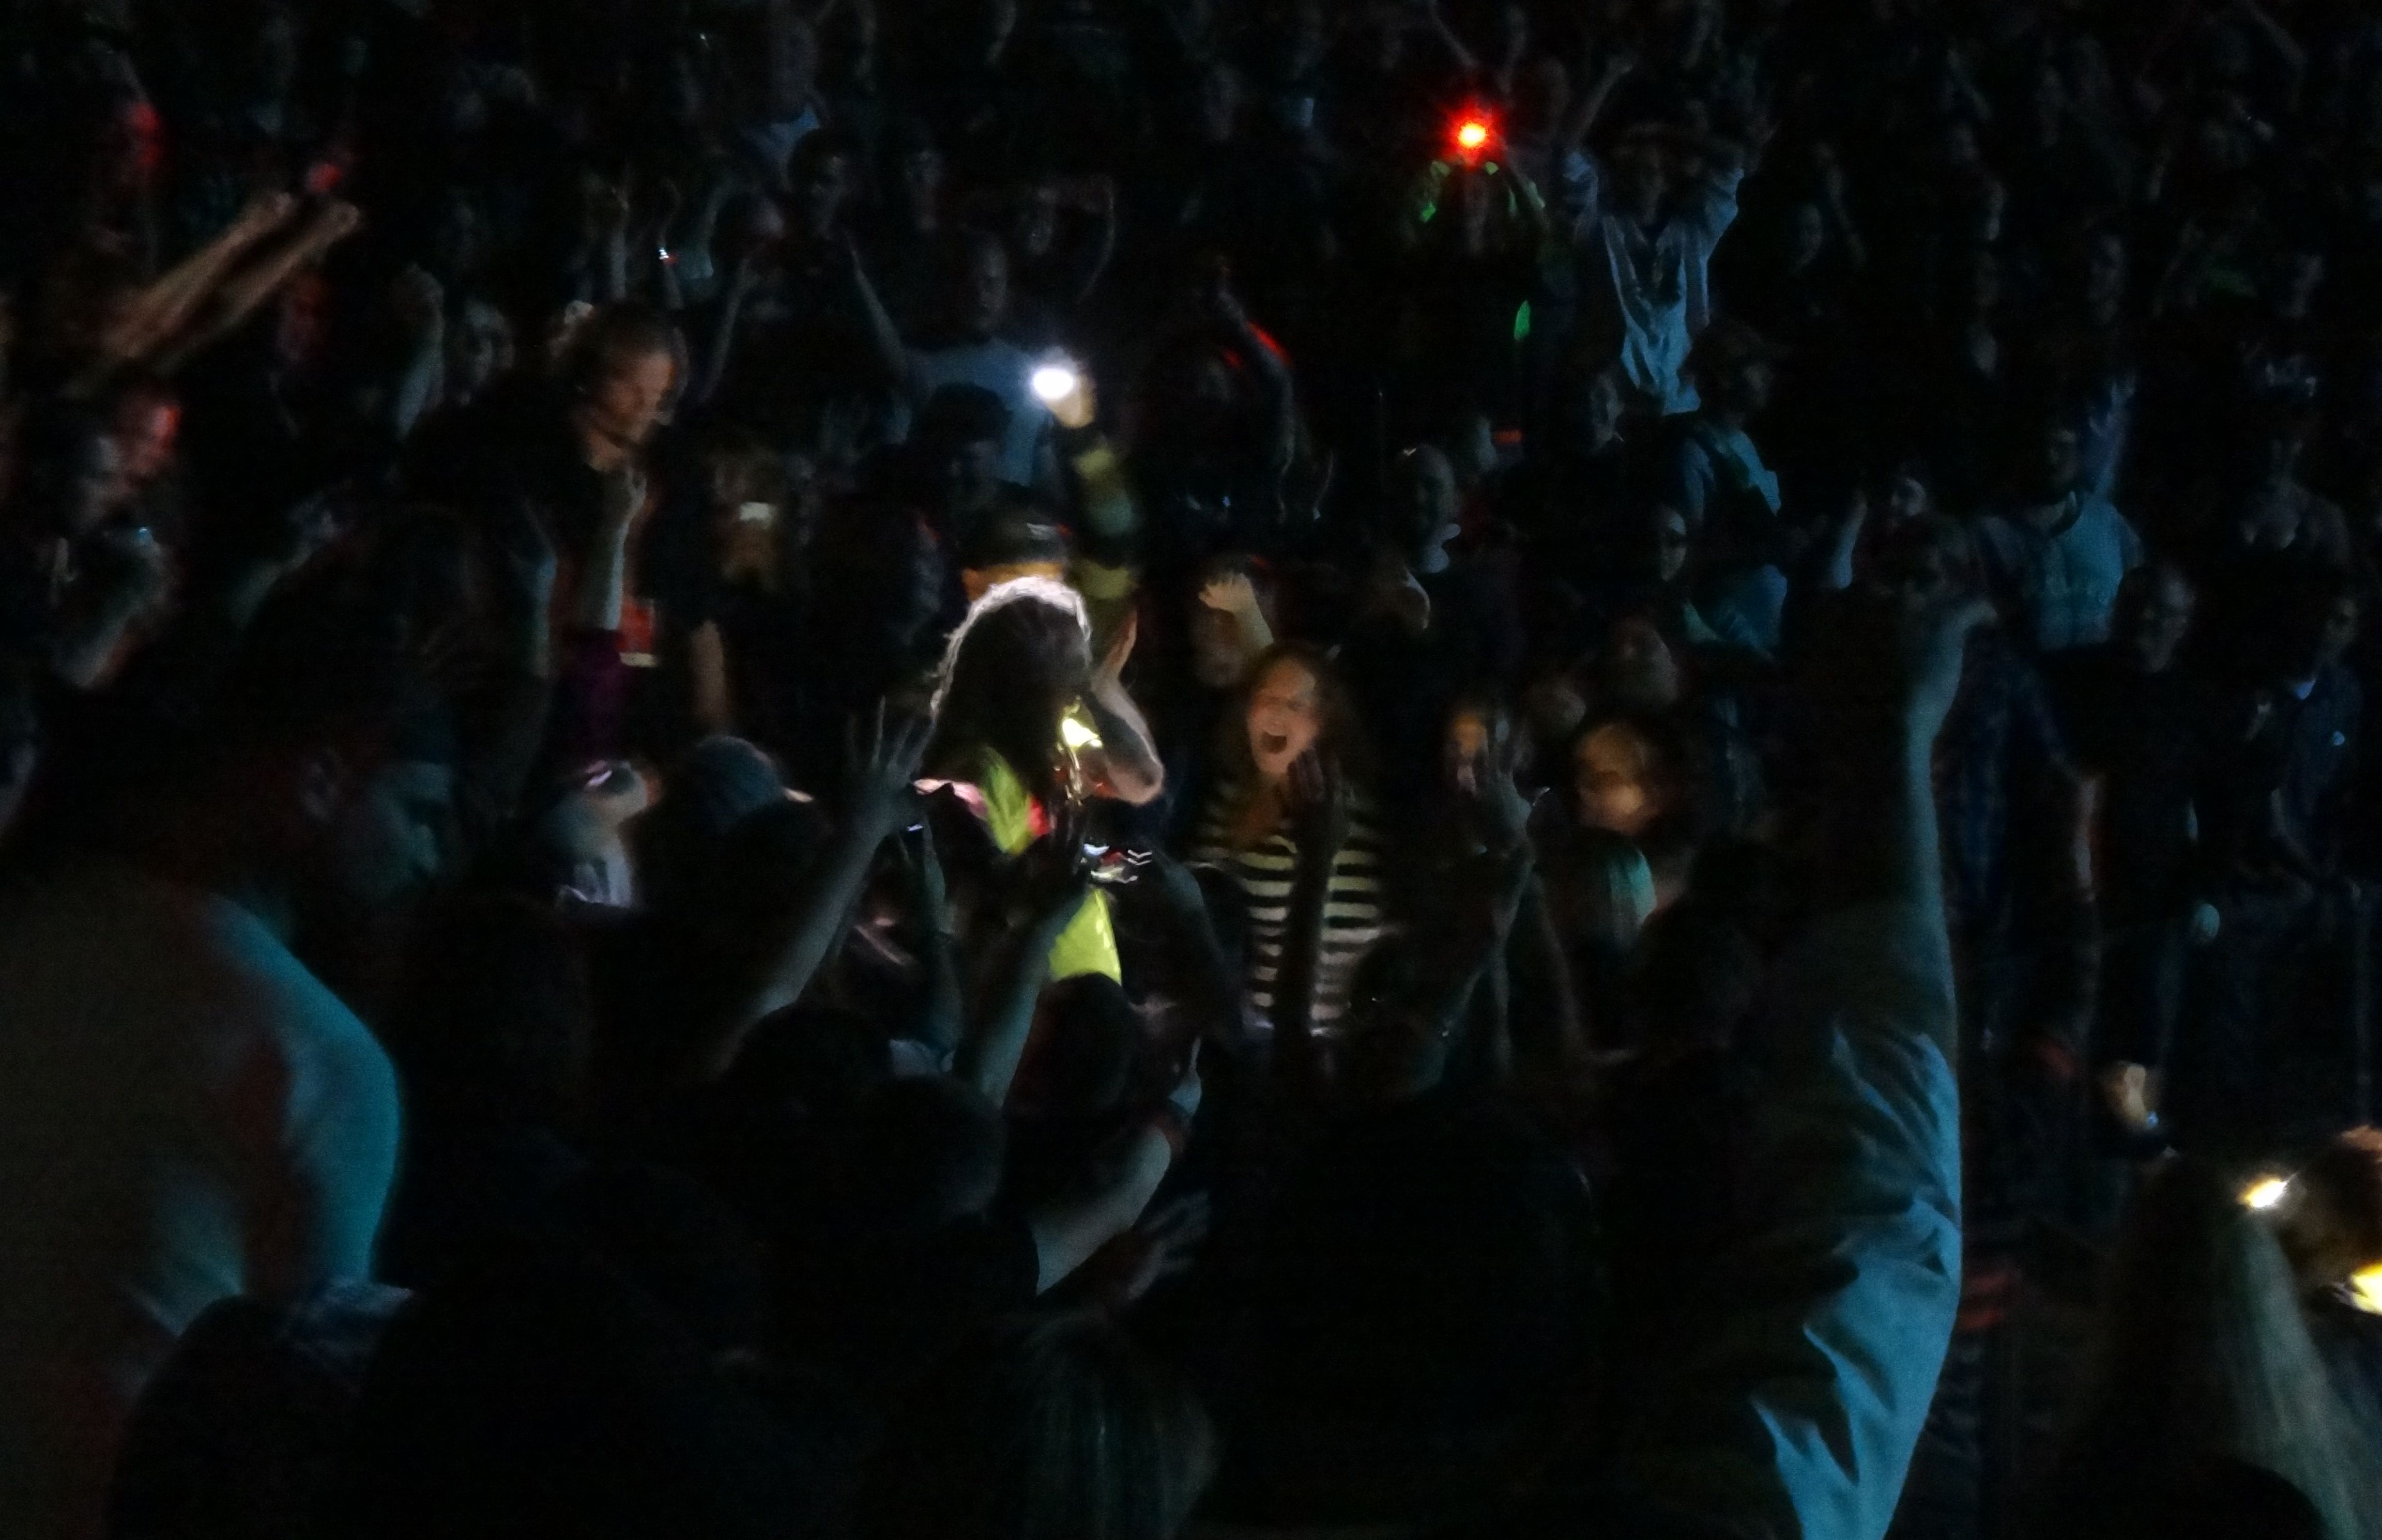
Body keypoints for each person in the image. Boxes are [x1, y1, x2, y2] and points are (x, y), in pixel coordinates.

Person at [0, 599, 448, 1538]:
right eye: (413, 809)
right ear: (320, 781)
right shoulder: (315, 1059)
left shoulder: (35, 925)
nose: (429, 851)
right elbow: (292, 1416)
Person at [1188, 644, 1393, 1054]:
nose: (1275, 711)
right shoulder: (1227, 798)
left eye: (1296, 704)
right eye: (1266, 697)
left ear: (1324, 723)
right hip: (1235, 1042)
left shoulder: (1344, 813)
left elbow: (1353, 935)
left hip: (1321, 1048)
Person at [1973, 406, 2146, 656]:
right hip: (2032, 676)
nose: (2050, 458)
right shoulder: (1991, 532)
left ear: (2079, 454)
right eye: (2040, 448)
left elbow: (2141, 587)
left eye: (2062, 447)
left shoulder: (2108, 520)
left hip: (2107, 671)